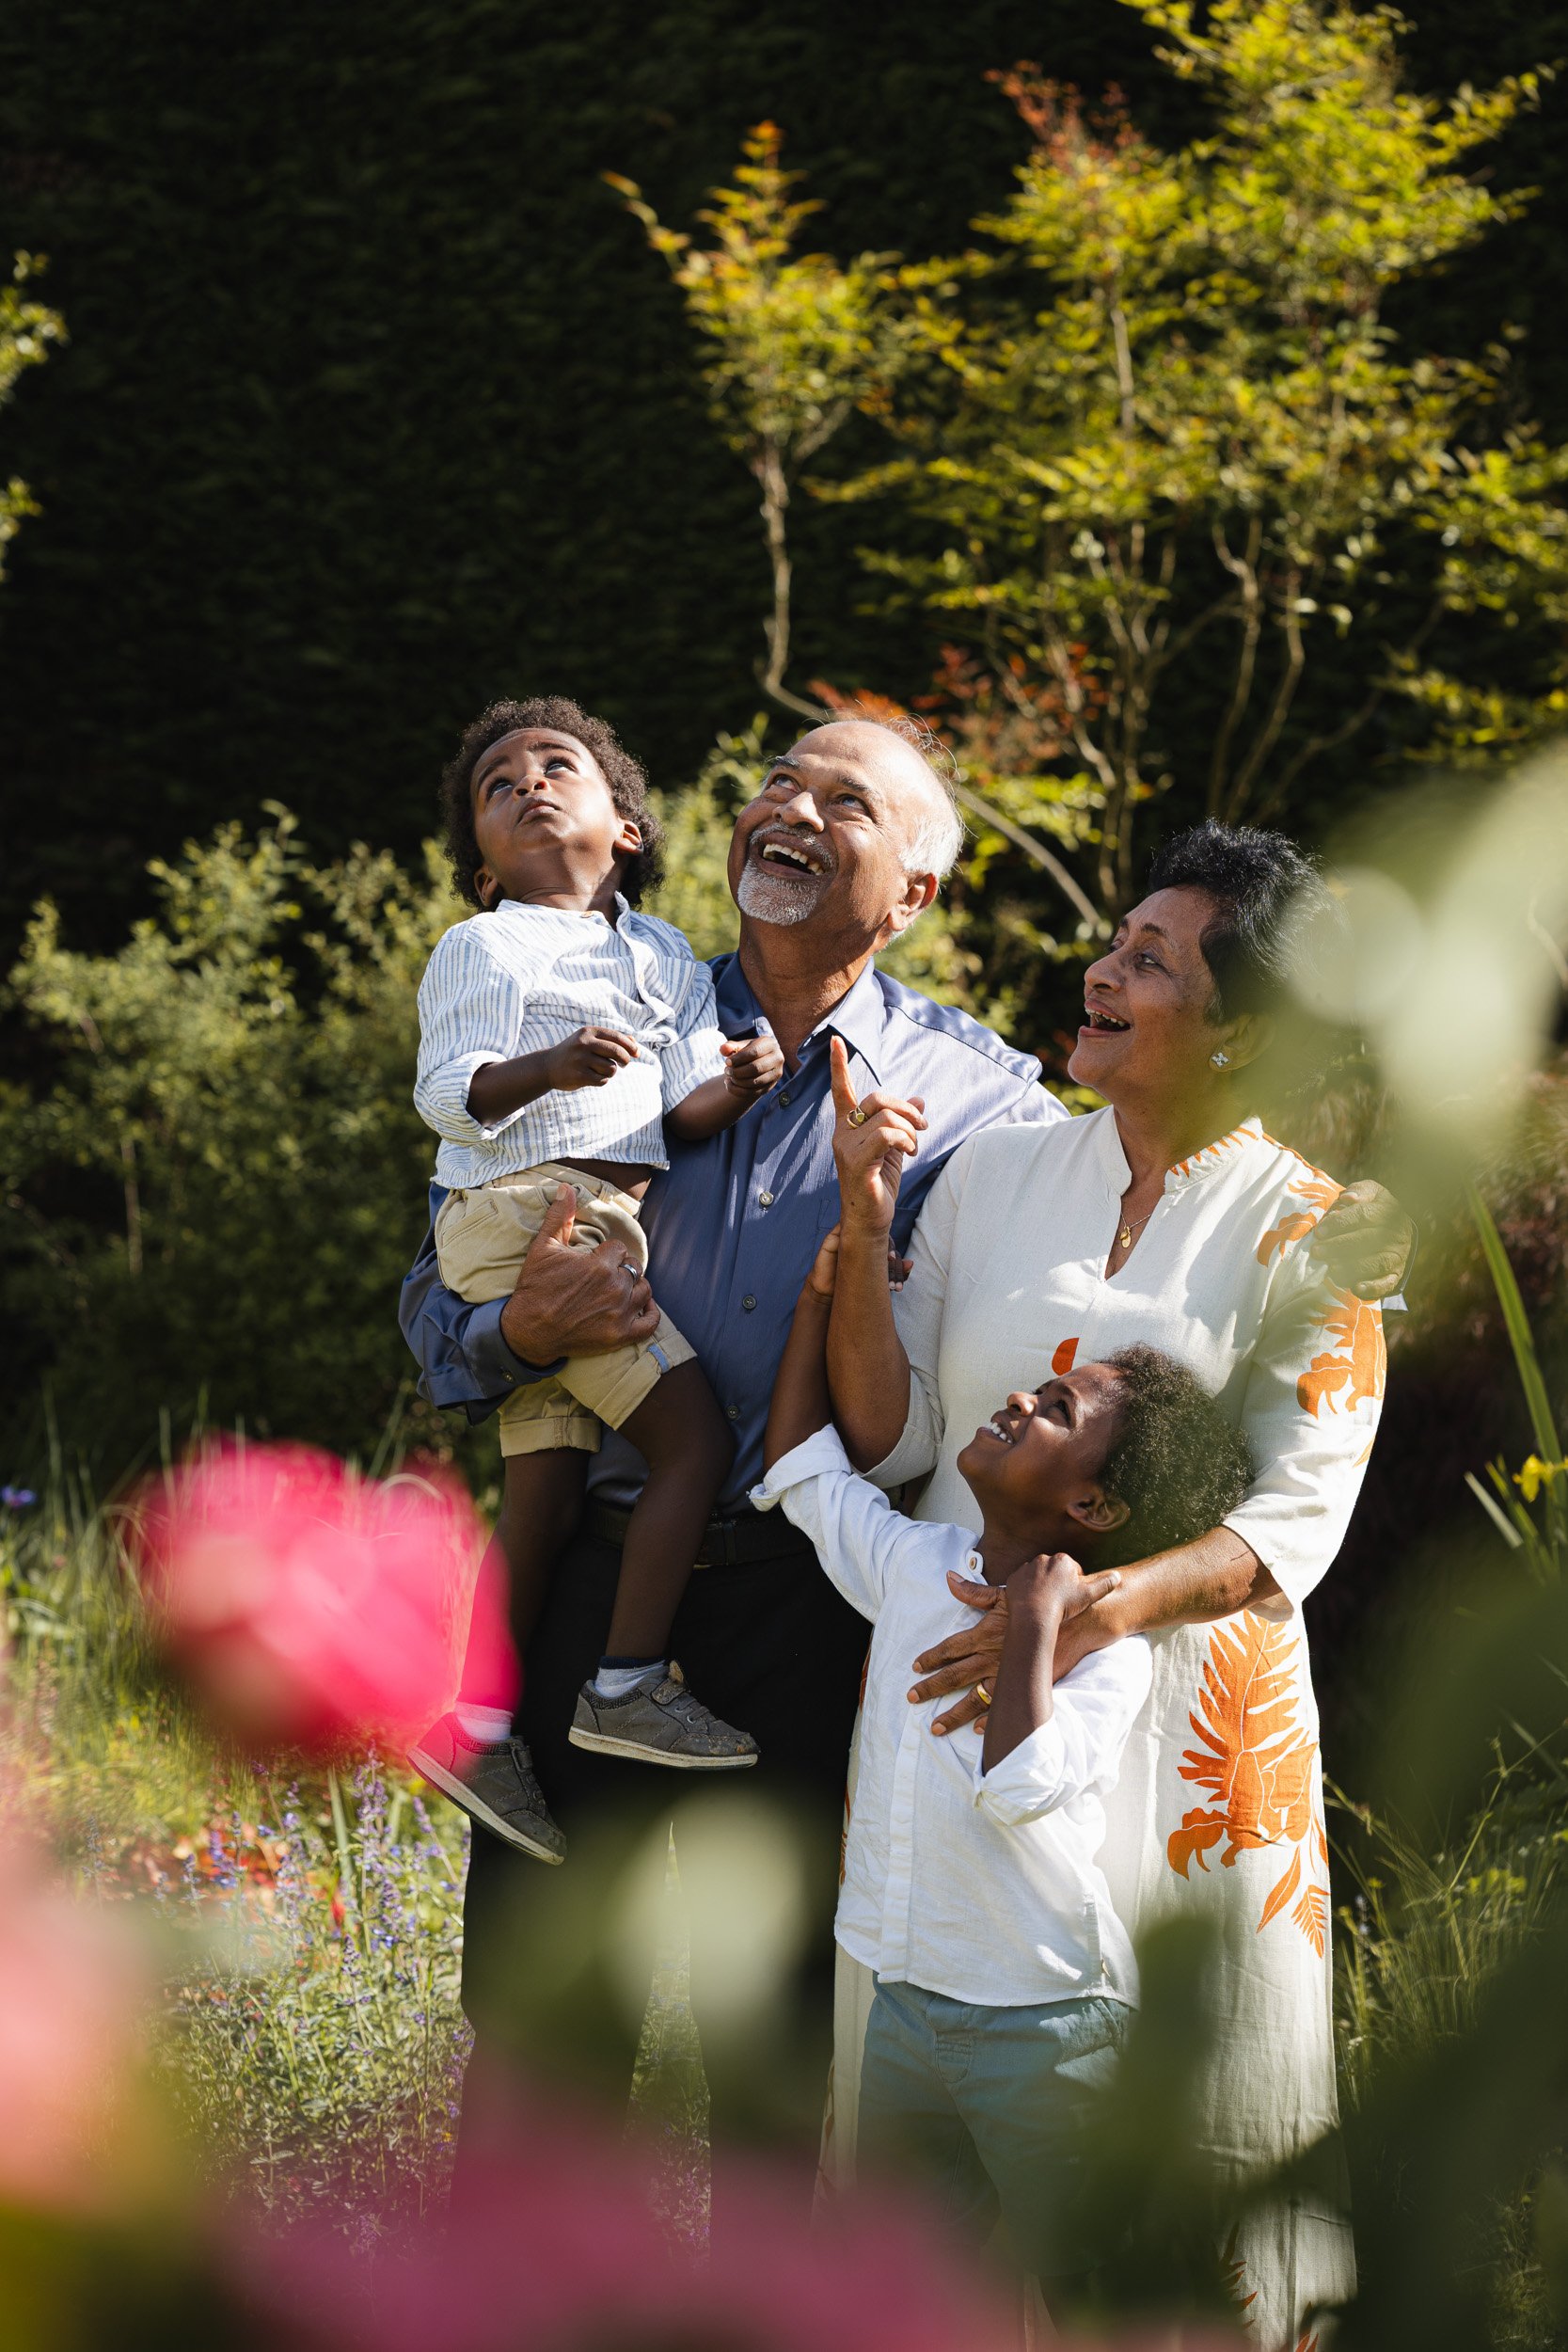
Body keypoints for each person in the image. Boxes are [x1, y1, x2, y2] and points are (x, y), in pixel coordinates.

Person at [399, 739, 1408, 2220]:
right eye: (779, 783)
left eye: (844, 802)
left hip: (831, 1626)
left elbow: (1160, 1219)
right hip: (596, 1596)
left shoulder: (979, 1105)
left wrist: (1360, 1195)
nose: (788, 813)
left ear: (914, 890)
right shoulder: (599, 1001)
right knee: (540, 2066)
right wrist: (503, 1327)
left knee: (793, 2084)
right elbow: (439, 1279)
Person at [823, 820, 1387, 2345]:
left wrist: (1086, 1615)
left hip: (1192, 1763)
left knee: (1178, 2185)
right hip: (965, 1733)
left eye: (1151, 957)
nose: (1102, 967)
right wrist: (866, 1225)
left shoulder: (1312, 1232)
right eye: (1115, 940)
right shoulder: (992, 1173)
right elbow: (891, 1437)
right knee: (930, 2213)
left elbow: (1296, 1524)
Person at [755, 1222, 1253, 2302]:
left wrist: (1039, 1617)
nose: (1023, 1400)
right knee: (911, 2293)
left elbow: (1019, 1783)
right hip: (902, 2004)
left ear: (1094, 1508)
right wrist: (813, 1297)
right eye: (1040, 1386)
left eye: (1058, 1410)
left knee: (1089, 2292)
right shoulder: (911, 1561)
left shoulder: (1104, 1650)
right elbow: (799, 1467)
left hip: (1045, 2028)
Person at [409, 697, 784, 1857]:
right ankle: (623, 1685)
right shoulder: (486, 945)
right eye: (497, 785)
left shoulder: (665, 953)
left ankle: (473, 1725)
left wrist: (744, 1081)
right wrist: (547, 1065)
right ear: (481, 869)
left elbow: (675, 1108)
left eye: (555, 767)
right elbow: (446, 1090)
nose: (527, 786)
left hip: (599, 1207)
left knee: (546, 1495)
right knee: (691, 1447)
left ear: (625, 824)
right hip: (526, 1211)